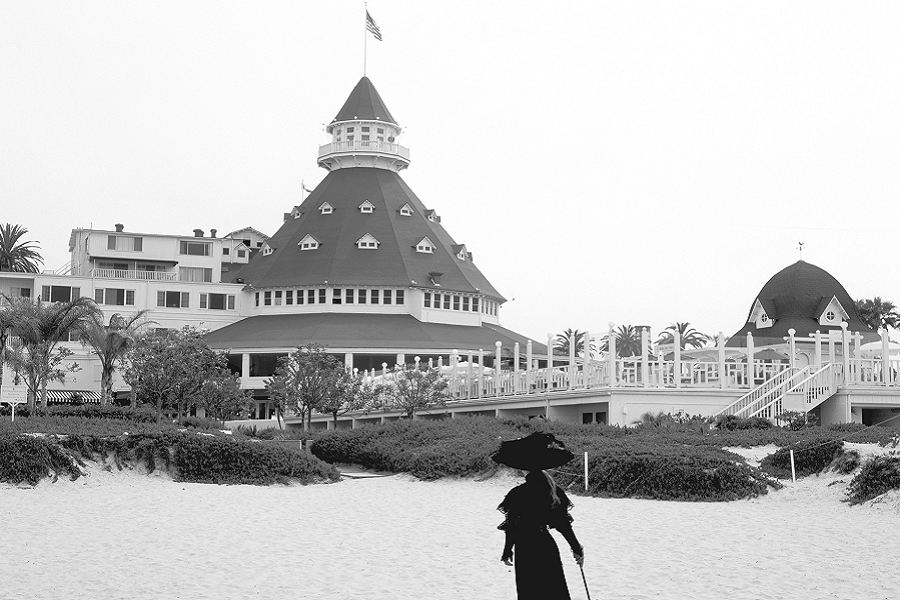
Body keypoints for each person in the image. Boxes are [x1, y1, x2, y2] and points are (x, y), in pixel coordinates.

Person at [498, 469, 584, 600]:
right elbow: (564, 525)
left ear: (524, 470)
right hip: (545, 544)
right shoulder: (552, 490)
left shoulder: (517, 493)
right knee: (555, 590)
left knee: (529, 591)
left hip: (525, 548)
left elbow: (512, 527)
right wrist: (576, 548)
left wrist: (507, 550)